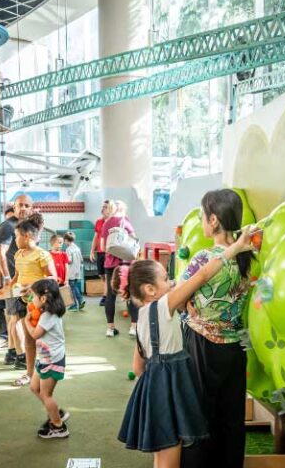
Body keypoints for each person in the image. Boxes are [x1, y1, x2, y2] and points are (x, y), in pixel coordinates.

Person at [112, 227, 254, 467]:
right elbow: (201, 277)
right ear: (150, 289)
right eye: (165, 280)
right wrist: (236, 248)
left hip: (153, 390)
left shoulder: (143, 318)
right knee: (171, 459)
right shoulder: (165, 305)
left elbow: (138, 367)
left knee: (162, 457)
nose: (171, 283)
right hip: (170, 390)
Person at [179, 189, 254, 467]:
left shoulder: (203, 259)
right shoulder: (246, 259)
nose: (200, 221)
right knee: (231, 420)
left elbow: (177, 293)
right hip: (234, 349)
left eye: (201, 216)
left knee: (198, 417)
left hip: (201, 346)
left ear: (213, 220)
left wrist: (185, 299)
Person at [10, 213, 57, 387]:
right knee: (29, 339)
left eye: (16, 237)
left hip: (41, 305)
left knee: (44, 340)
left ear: (27, 236)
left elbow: (53, 278)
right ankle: (29, 373)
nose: (15, 241)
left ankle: (49, 370)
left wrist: (33, 284)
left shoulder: (42, 255)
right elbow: (17, 276)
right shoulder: (18, 255)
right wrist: (7, 287)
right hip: (24, 302)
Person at [22, 278, 71, 439]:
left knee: (46, 395)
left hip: (52, 361)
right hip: (44, 358)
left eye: (34, 296)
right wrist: (27, 296)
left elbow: (35, 334)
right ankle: (56, 412)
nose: (32, 299)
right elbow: (31, 302)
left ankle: (58, 426)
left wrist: (26, 321)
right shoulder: (45, 309)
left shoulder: (48, 315)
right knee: (34, 388)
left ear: (43, 299)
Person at [0, 197, 33, 367]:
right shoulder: (7, 226)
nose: (23, 208)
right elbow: (0, 253)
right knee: (17, 317)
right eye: (20, 205)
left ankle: (11, 352)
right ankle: (21, 357)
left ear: (32, 208)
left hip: (26, 280)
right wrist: (5, 278)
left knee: (15, 317)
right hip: (13, 280)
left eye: (27, 205)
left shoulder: (28, 227)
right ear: (14, 207)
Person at [100, 200, 138, 337]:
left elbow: (102, 246)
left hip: (110, 264)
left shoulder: (107, 223)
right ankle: (133, 327)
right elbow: (134, 238)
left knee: (110, 295)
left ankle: (110, 328)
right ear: (123, 209)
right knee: (130, 293)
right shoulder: (125, 220)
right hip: (126, 263)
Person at [90, 200, 115, 306]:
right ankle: (109, 291)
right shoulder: (99, 222)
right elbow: (95, 237)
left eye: (105, 207)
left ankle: (105, 296)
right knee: (102, 275)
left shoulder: (113, 222)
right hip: (100, 252)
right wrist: (92, 250)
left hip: (109, 252)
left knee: (107, 274)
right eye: (103, 206)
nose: (103, 208)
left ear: (110, 209)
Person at [64, 232, 84, 312]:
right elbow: (81, 259)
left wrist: (63, 260)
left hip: (71, 272)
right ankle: (79, 302)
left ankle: (75, 304)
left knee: (71, 288)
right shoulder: (77, 248)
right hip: (77, 271)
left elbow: (69, 260)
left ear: (66, 240)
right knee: (74, 286)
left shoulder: (68, 249)